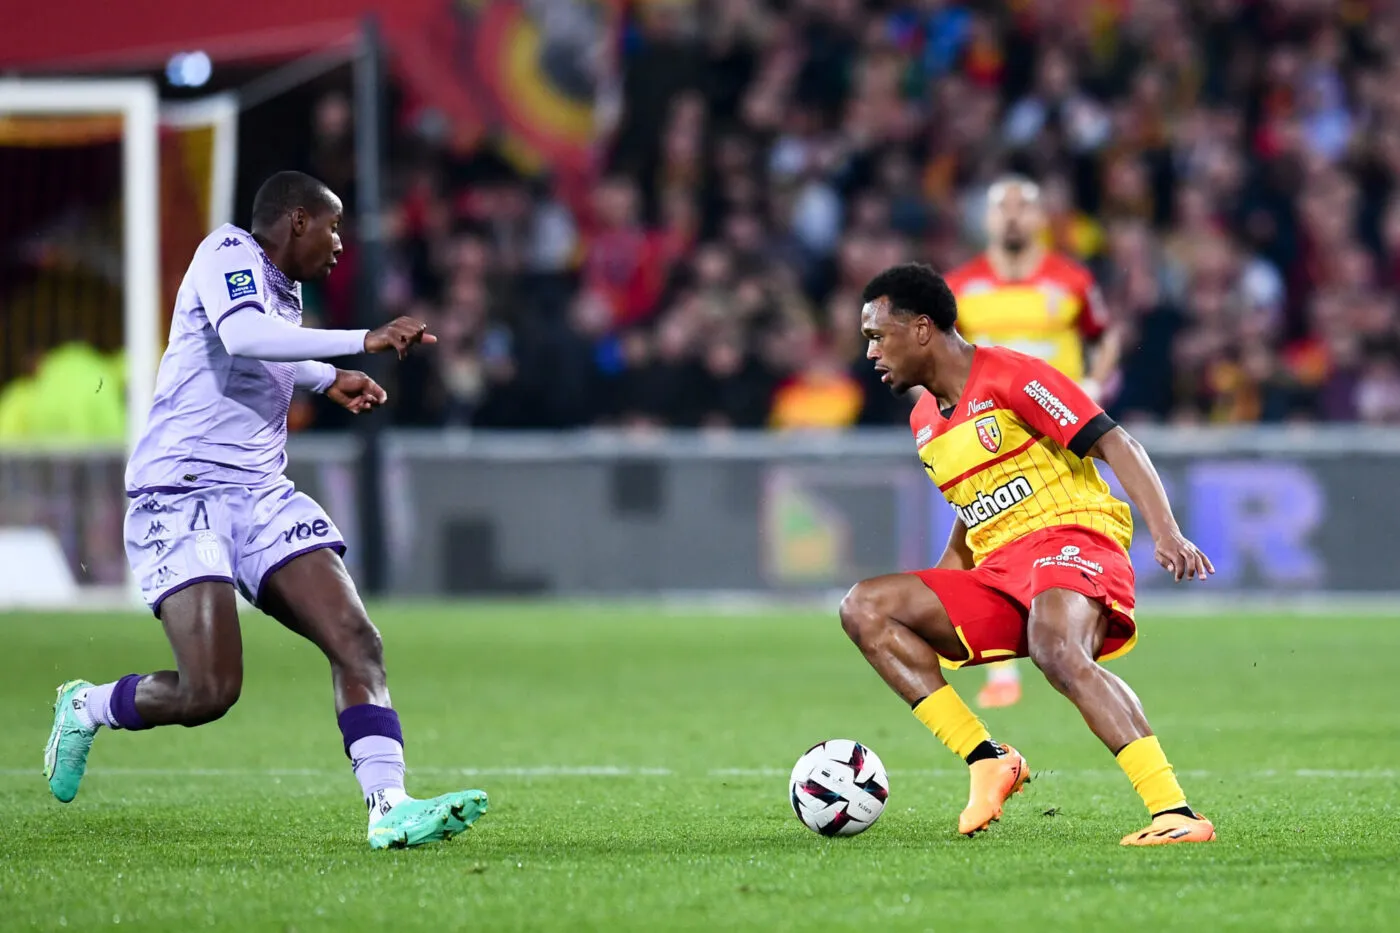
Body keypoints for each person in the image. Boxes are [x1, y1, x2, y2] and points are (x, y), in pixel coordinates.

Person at [42, 171, 488, 850]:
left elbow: (269, 350)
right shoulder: (227, 252)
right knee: (210, 690)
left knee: (357, 639)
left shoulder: (283, 290)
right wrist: (359, 341)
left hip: (258, 492)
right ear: (297, 221)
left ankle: (389, 805)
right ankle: (87, 705)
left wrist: (324, 377)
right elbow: (245, 337)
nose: (340, 244)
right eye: (333, 227)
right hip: (181, 493)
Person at [842, 262, 1216, 846]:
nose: (870, 352)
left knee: (1056, 648)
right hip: (1000, 572)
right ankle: (987, 758)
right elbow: (975, 509)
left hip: (1073, 539)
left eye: (876, 336)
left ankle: (1175, 811)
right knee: (865, 607)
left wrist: (1165, 532)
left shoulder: (1010, 376)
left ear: (920, 330)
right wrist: (941, 588)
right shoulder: (923, 422)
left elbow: (1116, 440)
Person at [943, 175, 1122, 710]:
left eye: (1025, 206)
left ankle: (1077, 634)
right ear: (988, 219)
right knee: (990, 538)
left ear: (1042, 218)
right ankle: (1003, 669)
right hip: (987, 432)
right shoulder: (960, 285)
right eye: (1004, 207)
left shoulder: (1070, 279)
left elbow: (1105, 332)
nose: (1014, 216)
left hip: (1057, 429)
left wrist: (1093, 384)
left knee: (1067, 529)